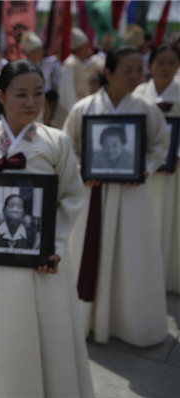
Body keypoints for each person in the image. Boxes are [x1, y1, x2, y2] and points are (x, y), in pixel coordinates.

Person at [0, 60, 94, 398]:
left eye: (38, 93)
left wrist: (52, 243)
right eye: (21, 94)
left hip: (42, 261)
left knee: (43, 335)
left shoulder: (58, 143)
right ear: (0, 96)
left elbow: (70, 197)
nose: (31, 102)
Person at [63, 46, 170, 347]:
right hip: (92, 194)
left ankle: (129, 322)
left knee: (131, 254)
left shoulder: (146, 109)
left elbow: (160, 144)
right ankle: (85, 319)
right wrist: (83, 169)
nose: (137, 76)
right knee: (88, 252)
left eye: (140, 69)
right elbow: (67, 146)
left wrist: (144, 169)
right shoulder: (84, 108)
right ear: (108, 73)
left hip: (131, 195)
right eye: (129, 70)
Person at [135, 43, 180, 294]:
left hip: (174, 171)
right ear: (150, 65)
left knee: (172, 220)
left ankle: (169, 276)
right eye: (160, 62)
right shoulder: (140, 93)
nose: (165, 68)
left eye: (171, 62)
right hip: (145, 169)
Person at [54, 28, 91, 128]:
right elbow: (67, 93)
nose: (88, 49)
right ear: (79, 47)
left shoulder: (80, 63)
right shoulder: (70, 65)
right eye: (86, 46)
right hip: (71, 115)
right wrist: (75, 114)